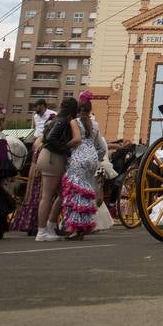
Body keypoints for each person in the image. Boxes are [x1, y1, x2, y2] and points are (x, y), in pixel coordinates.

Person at [34, 96, 79, 243]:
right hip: (53, 158)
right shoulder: (62, 121)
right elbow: (51, 139)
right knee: (47, 196)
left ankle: (50, 225)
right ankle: (42, 231)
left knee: (61, 194)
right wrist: (65, 149)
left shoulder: (55, 120)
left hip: (50, 157)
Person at [60, 93, 100, 240]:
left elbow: (77, 140)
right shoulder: (95, 124)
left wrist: (64, 146)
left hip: (79, 156)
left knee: (76, 191)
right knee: (86, 191)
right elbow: (97, 143)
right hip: (92, 157)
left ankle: (76, 229)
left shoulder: (75, 122)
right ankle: (84, 226)